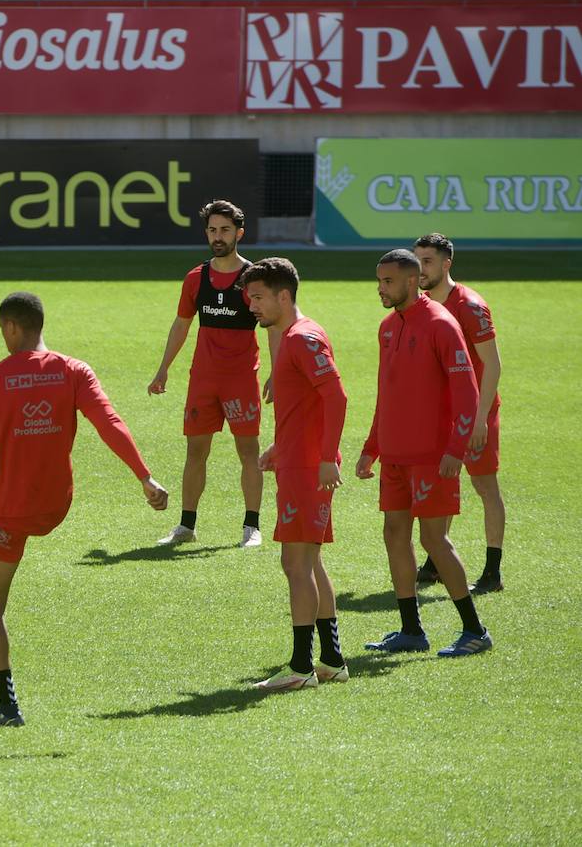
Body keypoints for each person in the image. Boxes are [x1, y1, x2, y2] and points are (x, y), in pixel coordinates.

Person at [0, 292, 168, 725]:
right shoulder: (75, 371)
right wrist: (145, 476)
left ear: (11, 328)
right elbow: (110, 422)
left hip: (11, 514)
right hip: (55, 505)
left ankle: (8, 706)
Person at [356, 250, 493, 658]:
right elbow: (387, 393)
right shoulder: (386, 327)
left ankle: (474, 630)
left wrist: (457, 448)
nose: (381, 288)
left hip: (433, 457)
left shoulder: (441, 324)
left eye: (388, 282)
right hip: (395, 455)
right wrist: (371, 448)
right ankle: (411, 630)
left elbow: (467, 393)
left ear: (412, 281)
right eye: (379, 281)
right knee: (394, 534)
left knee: (434, 539)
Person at [240, 259, 349, 691]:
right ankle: (332, 660)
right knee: (311, 560)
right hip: (298, 460)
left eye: (259, 297)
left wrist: (325, 457)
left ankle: (301, 667)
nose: (253, 307)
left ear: (284, 296)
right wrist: (278, 448)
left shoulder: (301, 339)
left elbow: (336, 397)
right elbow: (305, 405)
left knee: (295, 563)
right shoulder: (295, 335)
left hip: (308, 467)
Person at [147, 199, 276, 548]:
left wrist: (276, 373)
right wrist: (163, 370)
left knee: (248, 451)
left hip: (241, 379)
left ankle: (252, 527)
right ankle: (186, 526)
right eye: (213, 230)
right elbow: (181, 325)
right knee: (195, 451)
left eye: (225, 230)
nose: (218, 237)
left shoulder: (254, 279)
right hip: (203, 379)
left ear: (240, 233)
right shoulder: (195, 278)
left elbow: (273, 327)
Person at [412, 233, 507, 594]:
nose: (421, 268)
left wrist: (480, 418)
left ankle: (492, 570)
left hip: (476, 414)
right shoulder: (419, 304)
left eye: (429, 261)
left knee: (484, 485)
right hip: (440, 416)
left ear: (447, 263)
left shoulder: (470, 306)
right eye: (417, 259)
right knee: (441, 485)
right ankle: (437, 560)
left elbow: (493, 365)